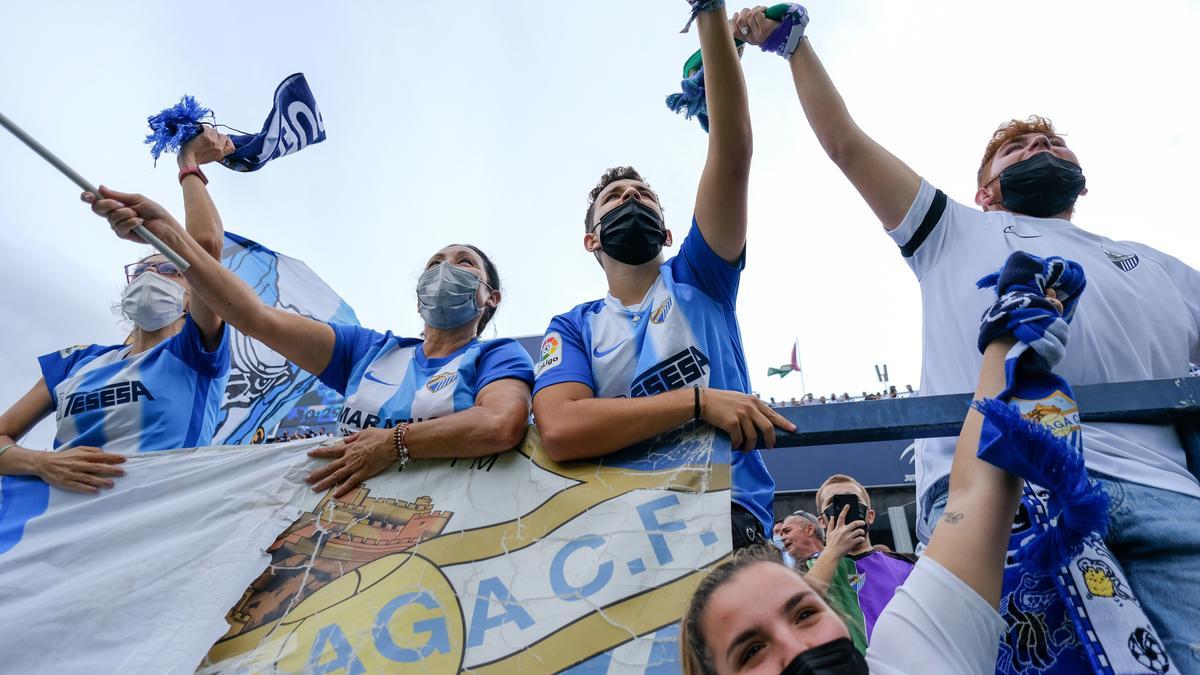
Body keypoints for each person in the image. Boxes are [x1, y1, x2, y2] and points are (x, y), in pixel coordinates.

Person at [736, 5, 1200, 664]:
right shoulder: (952, 232)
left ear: (1083, 181)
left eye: (1053, 145)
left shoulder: (1164, 268)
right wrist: (794, 44)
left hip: (1170, 497)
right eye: (1017, 148)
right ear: (985, 190)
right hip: (1001, 492)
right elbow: (844, 141)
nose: (1040, 150)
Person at [679, 297, 1069, 674]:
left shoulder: (911, 655)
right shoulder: (819, 567)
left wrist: (1007, 338)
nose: (798, 647)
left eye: (806, 613)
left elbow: (976, 489)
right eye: (752, 651)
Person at [530, 0, 793, 548]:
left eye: (643, 195)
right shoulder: (573, 327)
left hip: (727, 517)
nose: (631, 199)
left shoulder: (700, 274)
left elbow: (733, 149)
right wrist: (697, 403)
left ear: (669, 232)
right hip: (620, 535)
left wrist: (709, 12)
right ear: (591, 239)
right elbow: (560, 427)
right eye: (614, 199)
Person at [85, 188, 534, 500]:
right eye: (435, 263)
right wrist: (170, 236)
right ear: (419, 295)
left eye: (464, 263)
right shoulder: (369, 351)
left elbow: (499, 424)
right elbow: (253, 317)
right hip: (338, 527)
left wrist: (392, 443)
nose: (444, 269)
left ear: (490, 298)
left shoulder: (497, 355)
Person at [0, 129, 234, 491]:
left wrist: (188, 164)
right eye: (140, 270)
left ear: (192, 296)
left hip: (146, 532)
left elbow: (204, 248)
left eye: (169, 267)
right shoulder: (76, 362)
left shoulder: (195, 353)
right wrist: (43, 463)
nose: (149, 274)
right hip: (38, 534)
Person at [804, 474, 915, 651]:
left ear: (870, 516)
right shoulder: (807, 567)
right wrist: (832, 551)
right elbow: (800, 609)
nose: (845, 509)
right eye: (834, 503)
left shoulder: (909, 564)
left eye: (853, 500)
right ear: (822, 522)